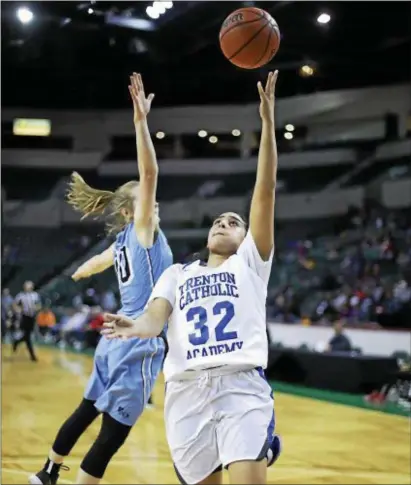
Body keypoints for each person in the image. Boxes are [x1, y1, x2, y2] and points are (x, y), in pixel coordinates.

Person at [103, 71, 281, 485]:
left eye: (233, 222)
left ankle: (259, 441)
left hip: (240, 386)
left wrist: (269, 124)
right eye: (218, 220)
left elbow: (265, 189)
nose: (224, 223)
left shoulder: (250, 263)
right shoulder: (177, 274)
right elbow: (154, 320)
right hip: (185, 392)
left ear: (245, 238)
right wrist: (135, 327)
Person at [30, 73, 173, 485]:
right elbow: (149, 176)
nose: (156, 205)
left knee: (85, 409)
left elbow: (92, 264)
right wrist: (141, 123)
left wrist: (77, 271)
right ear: (132, 212)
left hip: (112, 341)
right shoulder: (143, 232)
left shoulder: (123, 242)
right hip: (137, 338)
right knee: (112, 437)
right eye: (149, 204)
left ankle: (48, 472)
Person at [13, 281, 41, 361]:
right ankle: (32, 355)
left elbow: (39, 305)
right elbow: (15, 304)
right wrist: (18, 309)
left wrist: (36, 308)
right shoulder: (20, 295)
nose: (28, 287)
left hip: (32, 316)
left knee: (26, 336)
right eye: (26, 286)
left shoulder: (35, 295)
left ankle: (17, 342)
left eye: (29, 286)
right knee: (28, 336)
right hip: (25, 316)